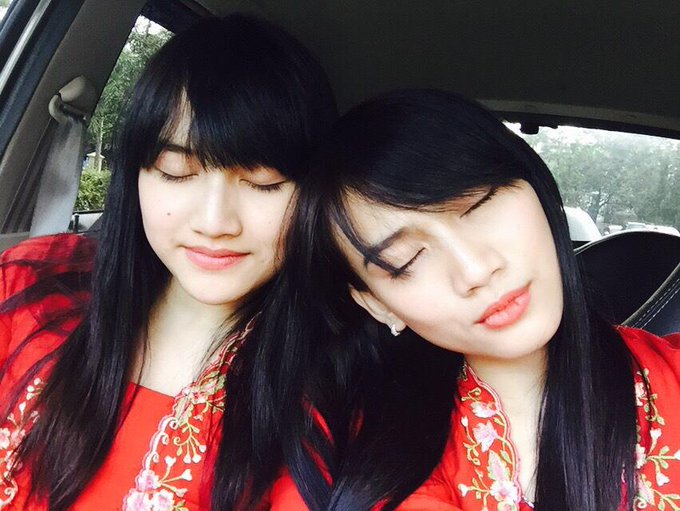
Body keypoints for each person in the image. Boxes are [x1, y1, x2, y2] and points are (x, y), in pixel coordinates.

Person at [267, 89, 680, 510]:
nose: (476, 270)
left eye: (480, 204)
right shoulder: (334, 446)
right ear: (377, 304)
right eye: (407, 259)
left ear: (537, 187)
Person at [0, 14, 336, 510]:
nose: (214, 222)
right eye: (176, 172)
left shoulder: (344, 396)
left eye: (264, 182)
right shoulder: (30, 288)